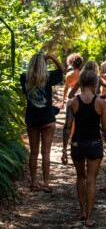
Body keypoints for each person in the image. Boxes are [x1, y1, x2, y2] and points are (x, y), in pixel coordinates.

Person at [62, 69, 106, 227]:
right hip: (94, 144)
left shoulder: (72, 102)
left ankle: (82, 210)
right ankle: (89, 217)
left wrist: (63, 149)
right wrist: (104, 134)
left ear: (81, 83)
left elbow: (67, 126)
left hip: (77, 145)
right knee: (91, 180)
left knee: (80, 177)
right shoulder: (101, 102)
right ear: (95, 83)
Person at [20, 54, 65, 193]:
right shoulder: (48, 77)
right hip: (47, 119)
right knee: (46, 153)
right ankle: (46, 184)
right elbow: (62, 69)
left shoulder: (24, 78)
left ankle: (34, 183)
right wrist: (51, 57)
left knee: (33, 153)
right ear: (43, 65)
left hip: (32, 120)